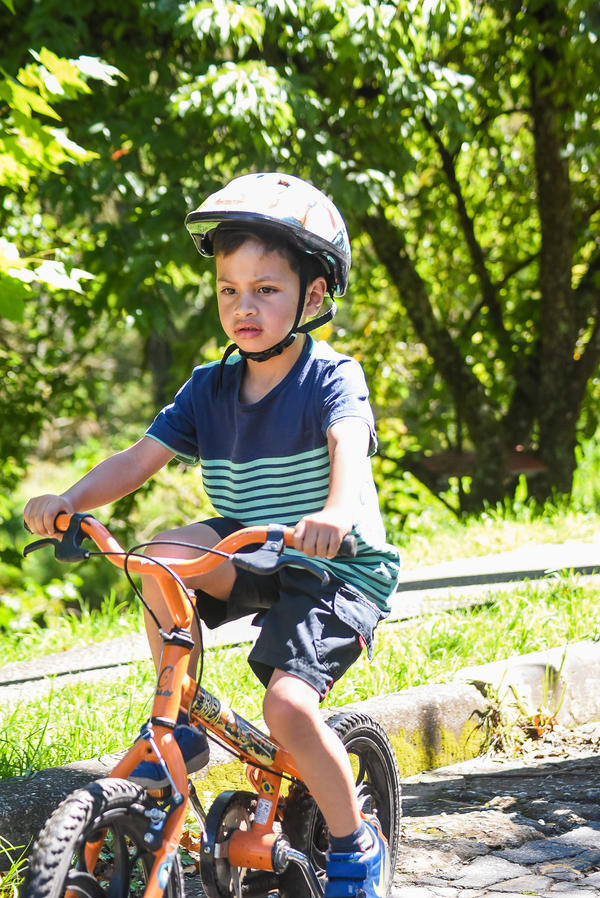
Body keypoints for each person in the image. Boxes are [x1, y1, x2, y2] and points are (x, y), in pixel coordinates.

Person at [24, 172, 401, 898]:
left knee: (288, 707)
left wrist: (336, 512)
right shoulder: (209, 386)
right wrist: (70, 501)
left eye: (266, 288)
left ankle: (357, 844)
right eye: (230, 290)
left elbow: (349, 447)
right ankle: (180, 716)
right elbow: (140, 458)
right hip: (250, 541)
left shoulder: (331, 378)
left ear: (313, 297)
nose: (244, 306)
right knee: (158, 559)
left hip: (335, 566)